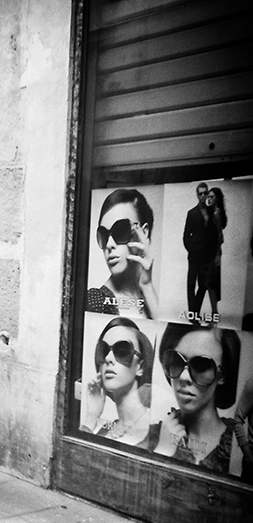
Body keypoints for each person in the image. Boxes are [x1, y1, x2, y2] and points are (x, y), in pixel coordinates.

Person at [151, 323, 240, 474]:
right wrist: (162, 452)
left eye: (201, 364)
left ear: (222, 374)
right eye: (176, 360)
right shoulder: (153, 435)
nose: (184, 377)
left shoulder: (240, 442)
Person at [80, 317, 154, 448]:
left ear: (140, 367)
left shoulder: (158, 430)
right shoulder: (106, 429)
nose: (108, 358)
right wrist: (92, 415)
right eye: (103, 351)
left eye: (122, 351)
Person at [86, 188, 158, 318]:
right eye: (103, 235)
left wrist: (147, 286)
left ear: (144, 232)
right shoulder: (95, 302)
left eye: (121, 230)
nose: (109, 244)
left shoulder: (149, 295)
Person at [183, 182, 212, 314]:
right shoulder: (192, 213)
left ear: (207, 194)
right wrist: (192, 250)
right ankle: (192, 314)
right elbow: (186, 236)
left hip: (207, 256)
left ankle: (195, 311)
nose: (202, 196)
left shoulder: (212, 212)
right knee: (191, 284)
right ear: (197, 195)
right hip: (195, 255)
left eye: (205, 193)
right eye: (200, 193)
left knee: (203, 285)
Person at [201, 187, 227, 317]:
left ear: (217, 198)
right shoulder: (213, 213)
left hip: (213, 254)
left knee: (210, 283)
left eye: (211, 197)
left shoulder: (216, 214)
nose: (208, 199)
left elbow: (220, 237)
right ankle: (214, 313)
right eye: (208, 196)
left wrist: (217, 255)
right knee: (210, 283)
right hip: (210, 253)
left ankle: (214, 314)